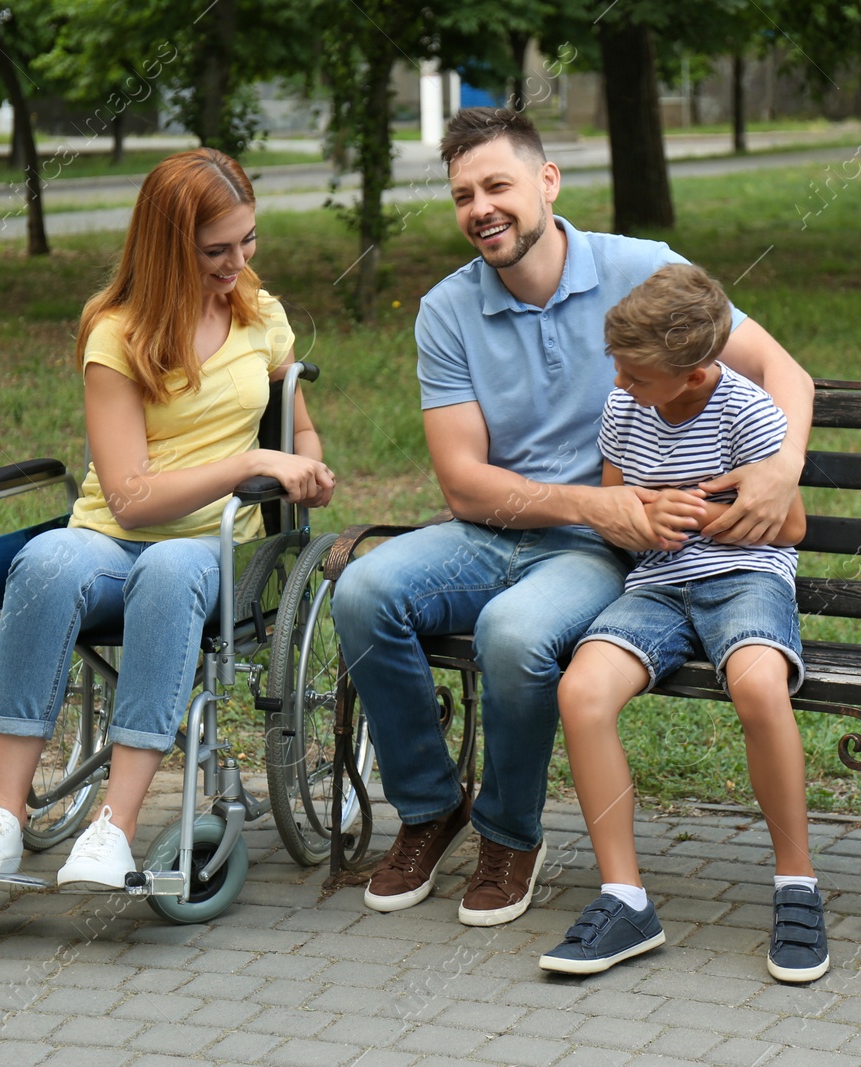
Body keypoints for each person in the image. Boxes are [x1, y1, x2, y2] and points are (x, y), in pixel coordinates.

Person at [333, 108, 813, 928]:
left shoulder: (641, 270)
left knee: (516, 634)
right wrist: (600, 499)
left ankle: (510, 833)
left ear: (547, 182)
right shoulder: (447, 310)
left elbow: (779, 367)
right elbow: (462, 484)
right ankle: (428, 808)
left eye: (497, 185)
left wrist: (782, 469)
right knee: (363, 591)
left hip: (595, 551)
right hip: (495, 531)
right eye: (461, 195)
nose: (480, 208)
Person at [0, 148, 334, 889]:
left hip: (212, 554)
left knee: (173, 564)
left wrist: (305, 465)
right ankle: (2, 816)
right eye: (217, 250)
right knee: (49, 559)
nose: (238, 262)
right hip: (110, 541)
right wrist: (251, 465)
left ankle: (112, 829)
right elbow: (129, 498)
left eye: (248, 240)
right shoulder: (116, 333)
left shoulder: (260, 312)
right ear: (166, 247)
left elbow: (296, 426)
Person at [538, 264, 826, 983]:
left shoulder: (746, 411)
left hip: (745, 578)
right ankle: (625, 897)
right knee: (581, 692)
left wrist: (709, 519)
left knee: (759, 688)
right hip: (659, 585)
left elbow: (790, 523)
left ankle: (797, 883)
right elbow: (618, 510)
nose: (621, 385)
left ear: (695, 375)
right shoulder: (623, 407)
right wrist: (643, 516)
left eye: (635, 375)